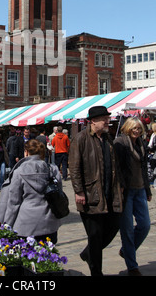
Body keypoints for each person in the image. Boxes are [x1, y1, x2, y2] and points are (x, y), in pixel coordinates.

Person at [69, 106, 123, 276]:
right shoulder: (81, 139)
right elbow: (75, 167)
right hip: (91, 194)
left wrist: (120, 185)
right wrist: (79, 191)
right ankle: (96, 272)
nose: (108, 121)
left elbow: (114, 165)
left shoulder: (107, 138)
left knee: (114, 226)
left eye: (108, 118)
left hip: (109, 193)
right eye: (104, 119)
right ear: (93, 121)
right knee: (95, 235)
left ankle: (87, 253)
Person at [0, 139, 62, 244]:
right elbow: (58, 194)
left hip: (25, 224)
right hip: (49, 223)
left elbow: (14, 203)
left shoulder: (19, 172)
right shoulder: (52, 170)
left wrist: (6, 226)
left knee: (28, 257)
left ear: (26, 152)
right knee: (48, 257)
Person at [114, 117, 152, 276]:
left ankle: (126, 250)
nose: (137, 131)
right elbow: (117, 167)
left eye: (139, 128)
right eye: (134, 128)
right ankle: (132, 266)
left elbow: (143, 168)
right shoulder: (120, 143)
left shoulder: (141, 144)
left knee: (145, 225)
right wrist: (120, 186)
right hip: (127, 191)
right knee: (127, 229)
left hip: (140, 189)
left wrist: (148, 189)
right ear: (128, 128)